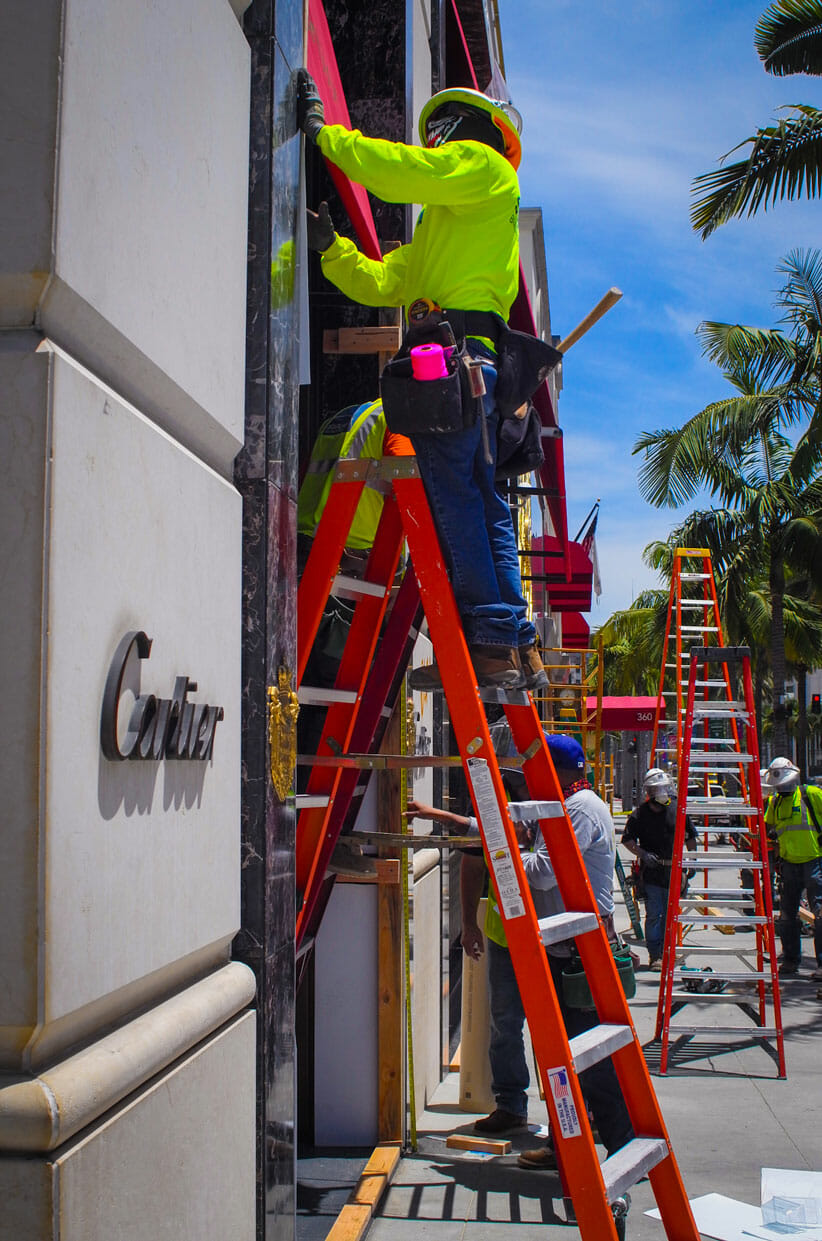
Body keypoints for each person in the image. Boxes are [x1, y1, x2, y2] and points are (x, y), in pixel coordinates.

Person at [296, 71, 552, 693]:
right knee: (483, 503)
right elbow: (383, 283)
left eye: (442, 135)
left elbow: (401, 172)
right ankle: (510, 644)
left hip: (453, 363)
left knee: (457, 505)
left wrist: (329, 138)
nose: (438, 146)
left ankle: (490, 650)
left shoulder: (487, 169)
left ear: (470, 134)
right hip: (471, 369)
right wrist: (333, 250)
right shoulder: (447, 231)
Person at [407, 731, 633, 1168]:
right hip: (562, 948)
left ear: (558, 770)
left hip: (578, 951)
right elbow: (506, 833)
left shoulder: (579, 809)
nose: (527, 777)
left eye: (534, 767)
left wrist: (503, 852)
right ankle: (572, 1142)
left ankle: (615, 1143)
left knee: (583, 1055)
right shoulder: (562, 806)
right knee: (564, 1052)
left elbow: (544, 871)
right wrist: (446, 818)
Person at [297, 397, 412, 577]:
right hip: (356, 553)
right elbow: (411, 485)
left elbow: (304, 473)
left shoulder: (343, 417)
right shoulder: (398, 415)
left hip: (305, 542)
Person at [622, 768, 695, 971]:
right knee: (655, 914)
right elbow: (627, 840)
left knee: (671, 914)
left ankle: (668, 951)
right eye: (658, 790)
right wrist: (643, 854)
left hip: (674, 872)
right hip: (652, 873)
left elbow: (690, 836)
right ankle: (656, 955)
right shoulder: (640, 814)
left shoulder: (677, 810)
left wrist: (691, 861)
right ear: (651, 792)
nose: (662, 794)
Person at [763, 756, 822, 978]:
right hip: (788, 864)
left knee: (820, 913)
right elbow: (772, 829)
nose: (782, 788)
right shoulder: (776, 802)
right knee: (787, 916)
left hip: (814, 861)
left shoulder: (811, 795)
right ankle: (790, 960)